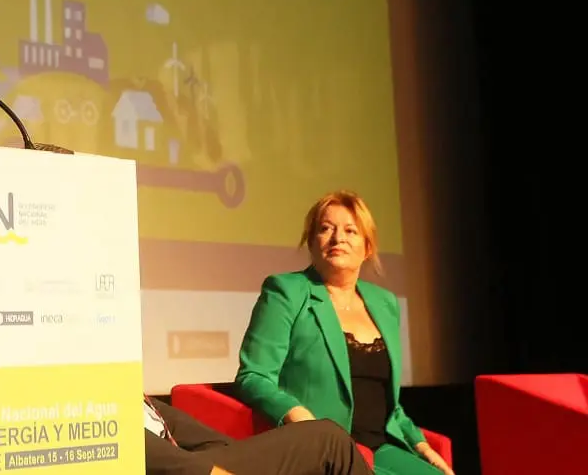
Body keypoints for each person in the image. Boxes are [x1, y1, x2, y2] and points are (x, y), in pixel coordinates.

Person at [233, 192, 454, 475]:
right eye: (326, 229)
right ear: (311, 241)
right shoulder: (286, 292)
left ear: (368, 247)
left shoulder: (384, 303)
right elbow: (254, 376)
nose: (338, 238)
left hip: (382, 448)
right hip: (325, 450)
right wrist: (301, 419)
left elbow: (390, 404)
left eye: (351, 231)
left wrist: (422, 446)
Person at [143, 397, 373, 475]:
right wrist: (210, 471)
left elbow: (170, 423)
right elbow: (131, 442)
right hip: (160, 467)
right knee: (326, 442)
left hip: (183, 458)